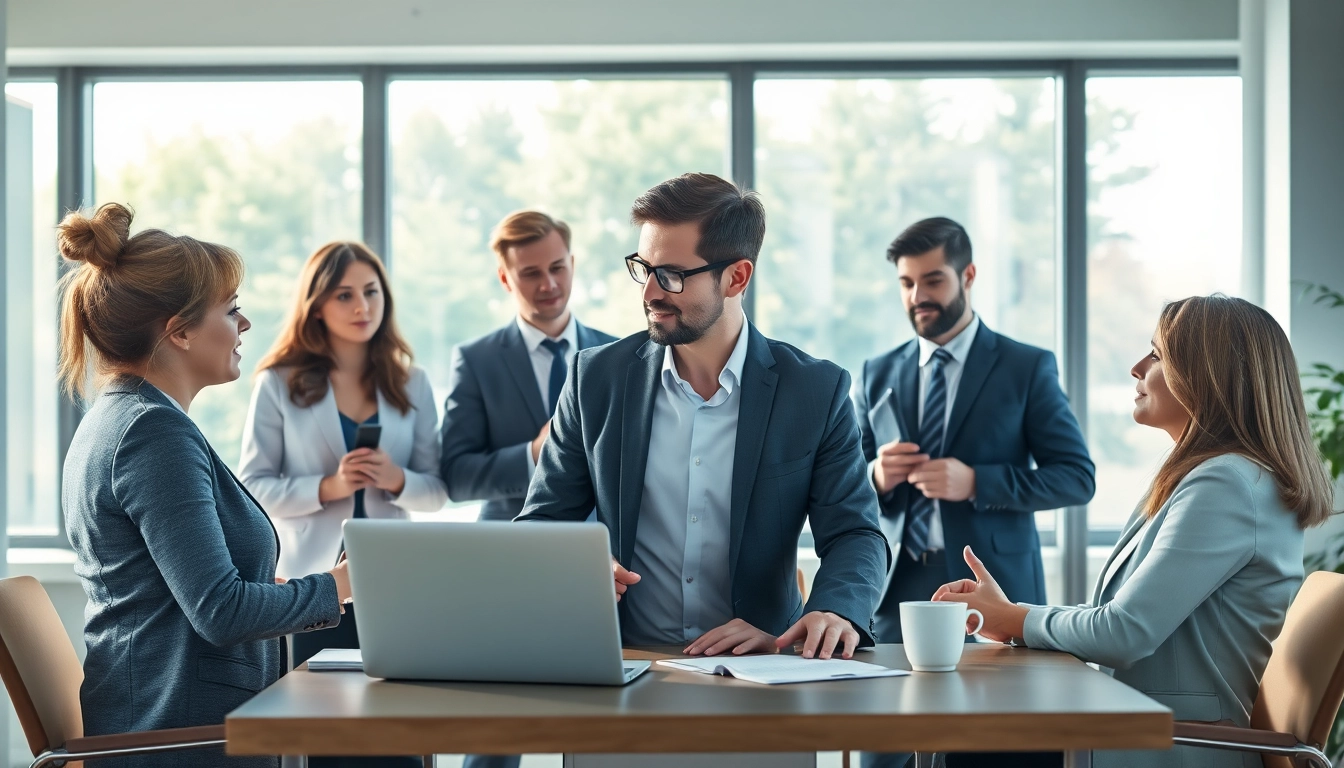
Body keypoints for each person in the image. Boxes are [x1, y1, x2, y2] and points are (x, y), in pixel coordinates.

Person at [934, 295, 1334, 768]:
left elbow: (1124, 632)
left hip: (1175, 745)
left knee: (970, 744)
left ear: (1208, 374)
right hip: (1151, 729)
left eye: (1158, 354)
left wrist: (1015, 619)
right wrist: (1010, 616)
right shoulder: (1209, 477)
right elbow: (1121, 616)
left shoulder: (1225, 484)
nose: (1136, 367)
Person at [519, 173, 890, 661]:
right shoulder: (595, 379)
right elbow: (543, 522)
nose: (650, 292)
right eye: (642, 268)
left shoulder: (816, 392)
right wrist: (575, 565)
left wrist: (834, 611)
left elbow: (855, 533)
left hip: (763, 670)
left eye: (671, 275)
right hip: (622, 664)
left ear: (736, 277)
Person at [59, 203, 349, 768]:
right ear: (181, 332)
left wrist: (285, 586)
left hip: (171, 723)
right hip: (180, 740)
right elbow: (221, 612)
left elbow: (182, 587)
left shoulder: (122, 417)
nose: (244, 326)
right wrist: (342, 583)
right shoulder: (152, 433)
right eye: (232, 310)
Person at [854, 216, 1095, 643]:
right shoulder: (878, 372)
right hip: (895, 589)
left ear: (968, 276)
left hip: (994, 590)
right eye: (906, 283)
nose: (918, 297)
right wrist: (876, 475)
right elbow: (843, 482)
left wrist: (976, 483)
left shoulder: (1026, 368)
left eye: (933, 281)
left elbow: (1077, 479)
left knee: (1000, 709)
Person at [440, 210, 618, 523]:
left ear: (572, 265)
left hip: (603, 547)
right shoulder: (476, 361)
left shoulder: (617, 355)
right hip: (508, 547)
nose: (549, 284)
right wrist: (534, 454)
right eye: (531, 273)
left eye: (557, 268)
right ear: (505, 278)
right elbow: (456, 476)